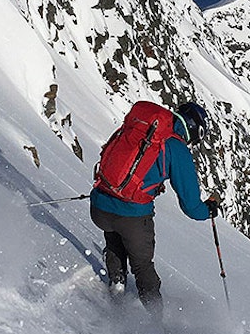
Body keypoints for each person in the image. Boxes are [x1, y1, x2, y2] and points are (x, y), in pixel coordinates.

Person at [90, 101, 221, 316]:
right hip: (132, 217)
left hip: (100, 205)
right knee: (142, 265)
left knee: (114, 240)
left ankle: (117, 283)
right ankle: (155, 320)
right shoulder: (175, 146)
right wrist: (209, 209)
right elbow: (191, 206)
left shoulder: (140, 128)